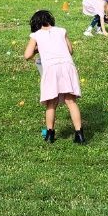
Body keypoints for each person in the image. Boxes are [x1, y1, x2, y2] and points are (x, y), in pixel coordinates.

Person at [24, 9, 85, 144]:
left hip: (51, 69)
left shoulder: (36, 35)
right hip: (67, 66)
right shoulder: (62, 31)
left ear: (35, 23)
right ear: (50, 20)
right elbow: (70, 50)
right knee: (71, 101)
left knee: (51, 103)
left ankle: (50, 134)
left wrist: (37, 49)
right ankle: (79, 133)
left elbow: (27, 55)